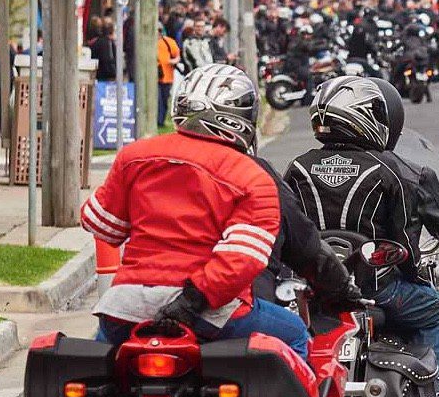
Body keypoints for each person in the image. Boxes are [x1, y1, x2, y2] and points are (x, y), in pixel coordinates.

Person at [83, 64, 359, 360]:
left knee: (99, 369)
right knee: (294, 335)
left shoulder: (135, 156)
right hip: (211, 310)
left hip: (127, 304)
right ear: (242, 118)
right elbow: (242, 260)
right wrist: (190, 302)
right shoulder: (251, 176)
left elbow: (101, 224)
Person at [284, 76, 439, 397]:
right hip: (379, 290)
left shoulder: (298, 167)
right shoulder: (398, 170)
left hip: (313, 290)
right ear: (369, 117)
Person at [156, 25, 181, 127]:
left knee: (164, 99)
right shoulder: (148, 43)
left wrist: (172, 61)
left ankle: (161, 121)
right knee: (157, 99)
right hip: (154, 77)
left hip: (167, 76)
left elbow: (177, 56)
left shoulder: (169, 42)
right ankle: (157, 120)